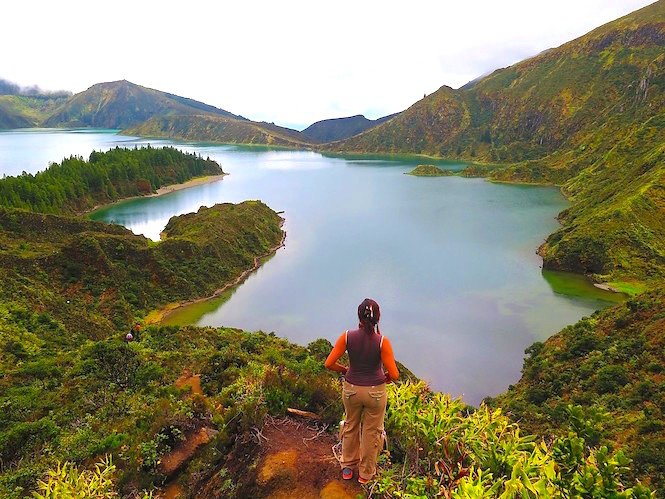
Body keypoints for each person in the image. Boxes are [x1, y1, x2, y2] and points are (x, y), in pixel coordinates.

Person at [324, 298, 399, 484]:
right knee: (371, 432)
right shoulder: (382, 342)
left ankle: (347, 467)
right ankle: (365, 474)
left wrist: (345, 370)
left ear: (359, 315)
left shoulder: (347, 336)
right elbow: (395, 374)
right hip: (375, 392)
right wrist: (385, 378)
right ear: (377, 318)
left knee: (350, 425)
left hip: (351, 390)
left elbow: (329, 363)